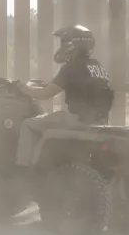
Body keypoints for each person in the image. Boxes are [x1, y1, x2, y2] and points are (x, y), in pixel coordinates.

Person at [13, 24, 115, 168]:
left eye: (63, 42)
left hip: (76, 120)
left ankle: (22, 169)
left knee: (28, 124)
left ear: (72, 45)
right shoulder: (97, 66)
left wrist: (22, 87)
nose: (60, 47)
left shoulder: (71, 67)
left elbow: (45, 94)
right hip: (99, 121)